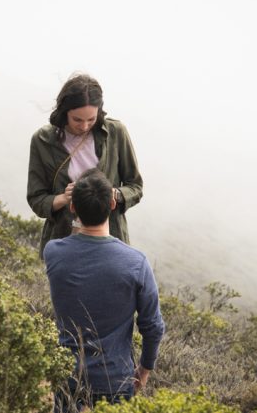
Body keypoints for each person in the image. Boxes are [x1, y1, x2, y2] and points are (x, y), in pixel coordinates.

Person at [44, 168, 164, 412]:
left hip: (67, 374)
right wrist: (144, 369)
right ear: (112, 203)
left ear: (73, 207)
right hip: (115, 380)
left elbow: (77, 245)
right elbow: (153, 326)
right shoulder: (136, 262)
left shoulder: (53, 252)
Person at [27, 73, 143, 257]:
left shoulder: (116, 133)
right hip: (64, 242)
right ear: (64, 112)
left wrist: (113, 194)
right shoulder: (42, 140)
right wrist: (63, 198)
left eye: (91, 119)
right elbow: (36, 199)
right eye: (77, 120)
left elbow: (135, 187)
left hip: (109, 240)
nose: (84, 126)